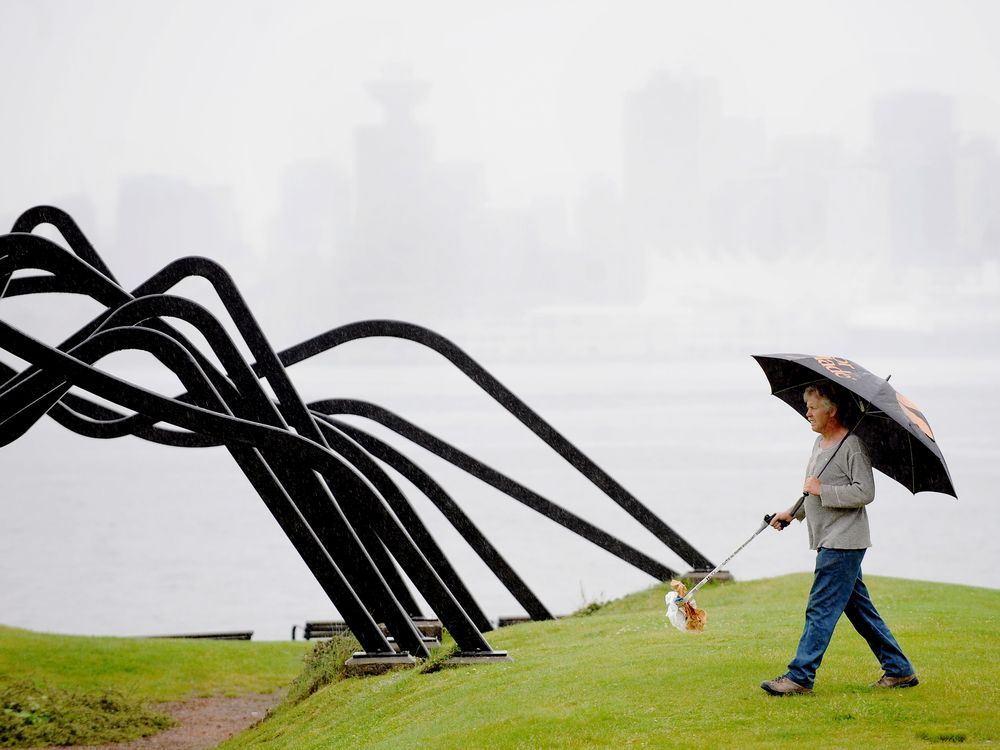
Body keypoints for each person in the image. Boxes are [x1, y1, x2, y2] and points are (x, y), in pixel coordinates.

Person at [759, 382, 918, 696]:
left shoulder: (852, 446)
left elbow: (864, 493)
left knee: (819, 609)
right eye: (807, 407)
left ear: (831, 410)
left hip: (844, 541)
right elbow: (811, 491)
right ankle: (899, 671)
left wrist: (823, 491)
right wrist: (792, 513)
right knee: (860, 611)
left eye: (813, 407)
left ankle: (800, 677)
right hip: (828, 538)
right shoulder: (820, 444)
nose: (808, 413)